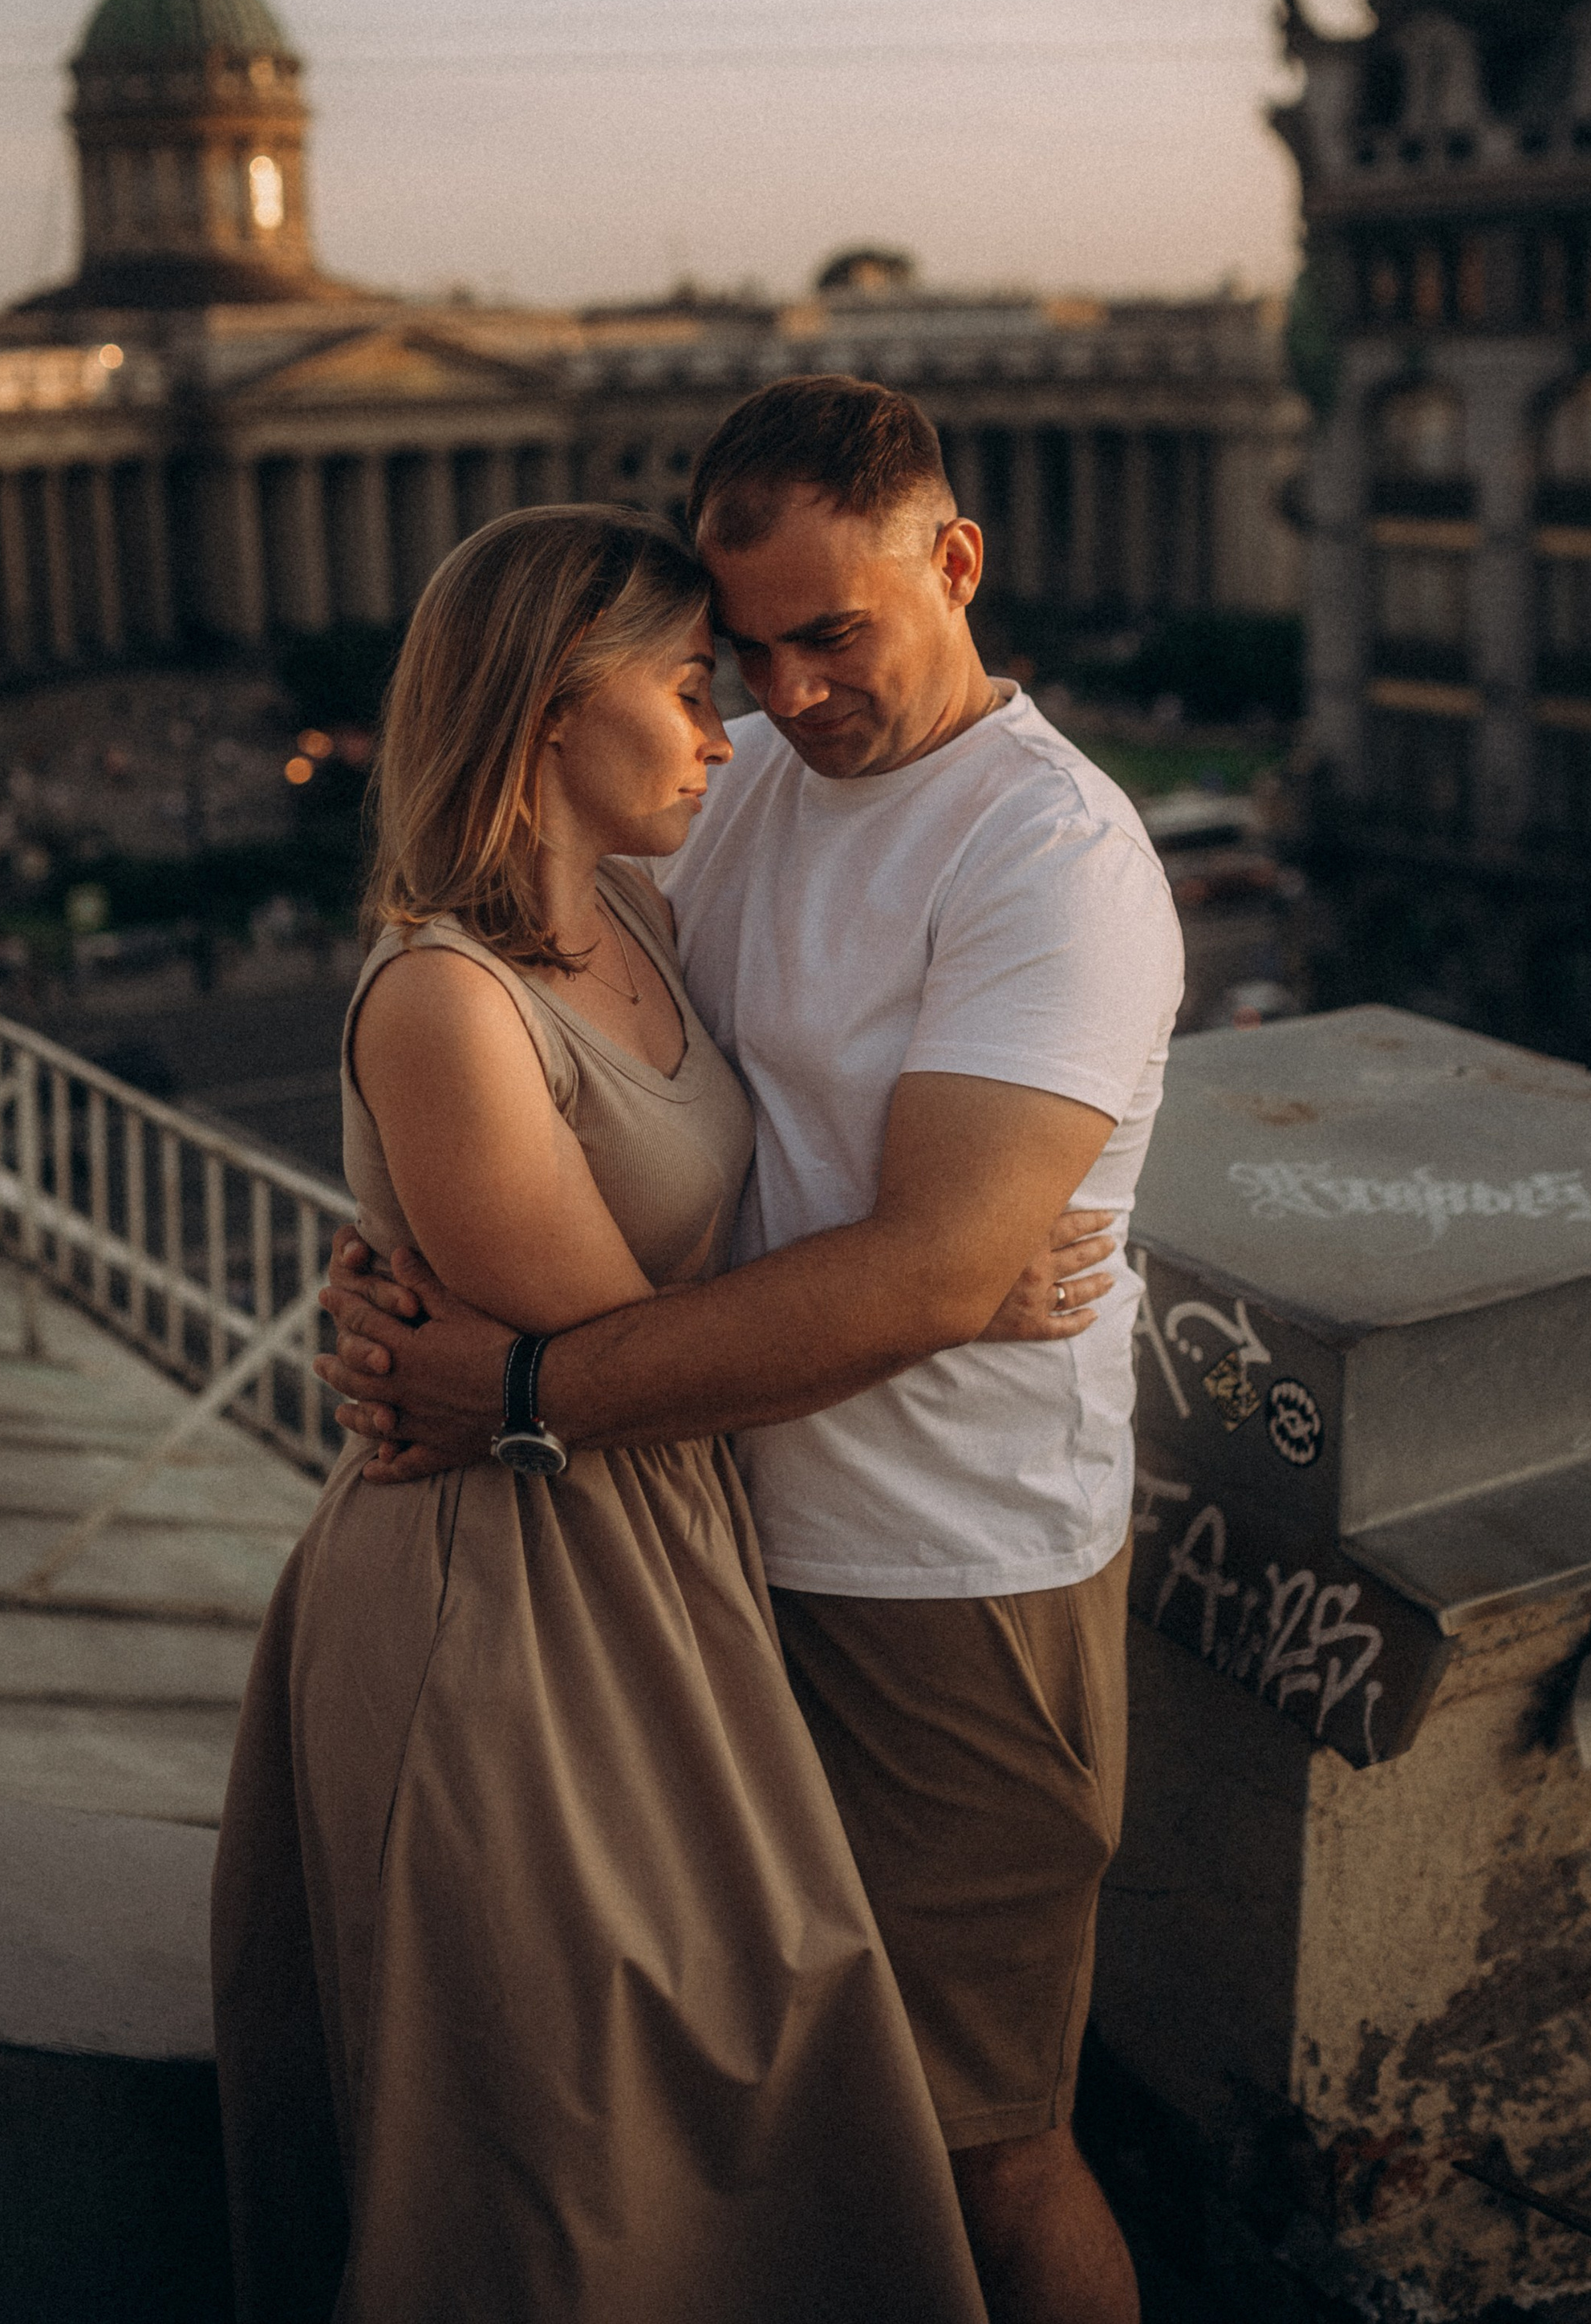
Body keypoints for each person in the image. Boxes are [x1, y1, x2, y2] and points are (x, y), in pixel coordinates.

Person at [323, 379, 1183, 2324]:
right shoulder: (736, 791)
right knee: (762, 2131)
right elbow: (536, 1038)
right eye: (745, 651)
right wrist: (397, 1250)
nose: (783, 695)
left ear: (951, 562)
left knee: (982, 2150)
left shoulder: (1050, 858)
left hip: (935, 1578)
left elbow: (925, 1275)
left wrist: (519, 1390)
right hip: (693, 1556)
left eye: (832, 635)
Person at [213, 501, 1037, 2324]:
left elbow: (707, 1265)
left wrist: (942, 1250)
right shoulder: (445, 1001)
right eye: (685, 687)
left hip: (645, 1562)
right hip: (502, 1610)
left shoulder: (648, 914)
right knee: (563, 2144)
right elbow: (628, 1352)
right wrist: (941, 1291)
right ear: (539, 720)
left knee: (713, 2083)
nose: (726, 730)